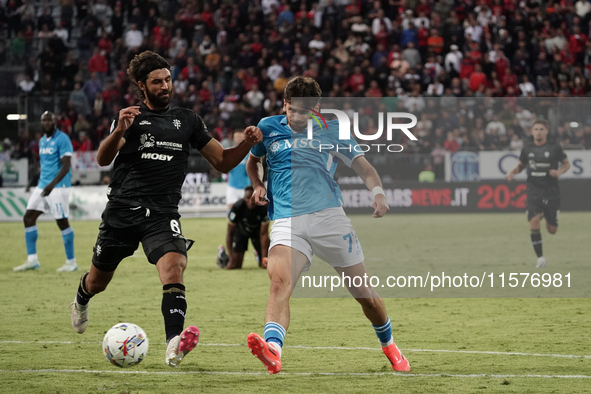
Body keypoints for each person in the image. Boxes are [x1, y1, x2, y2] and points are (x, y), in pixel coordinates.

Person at [68, 51, 262, 368]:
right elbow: (104, 159)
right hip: (122, 211)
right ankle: (81, 298)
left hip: (162, 214)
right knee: (98, 281)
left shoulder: (187, 121)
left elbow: (222, 161)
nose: (165, 86)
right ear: (142, 86)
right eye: (157, 81)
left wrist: (246, 144)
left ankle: (174, 343)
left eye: (168, 79)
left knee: (174, 267)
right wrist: (118, 130)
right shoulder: (130, 118)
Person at [245, 77, 410, 374]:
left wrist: (378, 193)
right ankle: (273, 349)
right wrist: (257, 184)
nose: (296, 117)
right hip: (286, 220)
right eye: (292, 110)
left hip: (329, 219)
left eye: (305, 112)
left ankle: (389, 344)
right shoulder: (267, 127)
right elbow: (252, 162)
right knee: (279, 284)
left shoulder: (332, 130)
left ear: (317, 109)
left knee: (364, 294)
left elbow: (365, 167)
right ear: (285, 104)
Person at [14, 111, 77, 273]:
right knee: (28, 218)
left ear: (55, 123)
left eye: (50, 120)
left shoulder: (62, 139)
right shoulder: (42, 141)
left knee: (62, 222)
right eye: (44, 120)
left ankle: (71, 262)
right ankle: (32, 260)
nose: (47, 123)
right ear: (41, 124)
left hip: (58, 186)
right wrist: (33, 183)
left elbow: (66, 165)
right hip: (43, 185)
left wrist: (52, 185)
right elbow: (44, 166)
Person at [506, 119, 570, 268]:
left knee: (551, 230)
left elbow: (567, 164)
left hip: (551, 191)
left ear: (546, 131)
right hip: (533, 190)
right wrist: (512, 172)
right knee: (533, 223)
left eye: (541, 129)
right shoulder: (527, 148)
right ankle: (540, 258)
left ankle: (548, 214)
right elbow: (521, 166)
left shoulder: (554, 147)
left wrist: (559, 171)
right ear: (532, 131)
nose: (538, 132)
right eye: (536, 129)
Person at [217, 186, 270, 270]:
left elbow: (264, 234)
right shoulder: (237, 207)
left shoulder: (264, 208)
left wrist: (264, 258)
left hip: (257, 233)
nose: (250, 201)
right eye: (248, 198)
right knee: (235, 265)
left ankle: (259, 255)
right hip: (241, 232)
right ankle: (222, 255)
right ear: (244, 198)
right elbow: (230, 233)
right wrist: (231, 258)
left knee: (266, 264)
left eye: (253, 198)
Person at [226, 129, 251, 210]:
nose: (238, 138)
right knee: (231, 207)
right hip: (232, 185)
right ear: (234, 138)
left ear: (244, 137)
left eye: (240, 136)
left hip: (245, 186)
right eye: (236, 136)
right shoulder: (230, 152)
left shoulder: (249, 153)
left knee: (246, 209)